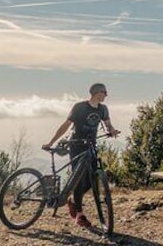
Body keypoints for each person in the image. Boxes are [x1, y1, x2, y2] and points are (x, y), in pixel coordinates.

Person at [43, 83, 120, 229]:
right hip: (76, 145)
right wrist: (51, 142)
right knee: (78, 178)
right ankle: (79, 215)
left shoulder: (103, 109)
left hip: (91, 146)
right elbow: (66, 125)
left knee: (92, 180)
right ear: (97, 93)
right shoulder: (80, 107)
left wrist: (112, 130)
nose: (106, 95)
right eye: (104, 92)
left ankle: (72, 200)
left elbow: (108, 124)